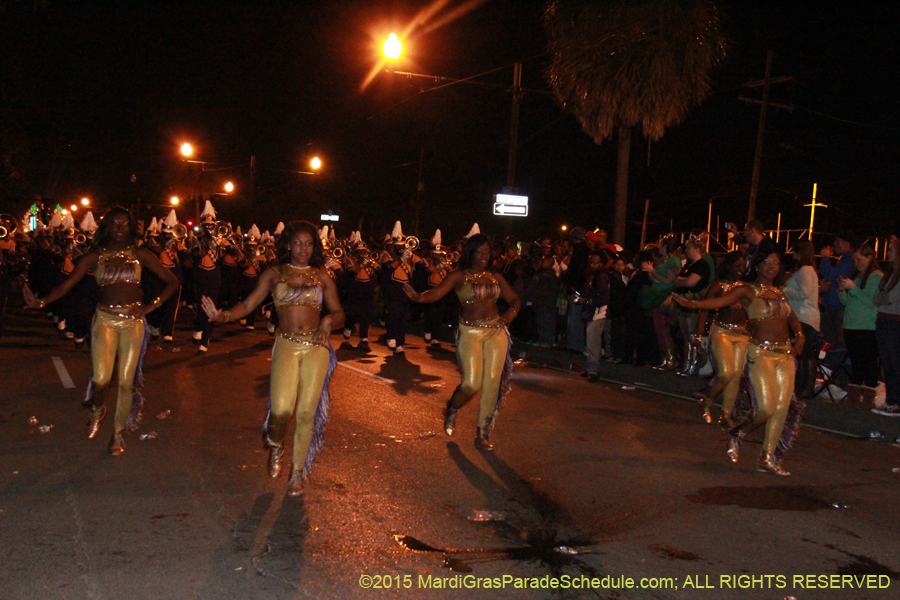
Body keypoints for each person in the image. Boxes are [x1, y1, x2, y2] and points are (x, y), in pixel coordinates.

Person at [202, 221, 344, 496]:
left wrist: (330, 320)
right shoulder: (274, 274)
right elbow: (248, 304)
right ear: (288, 245)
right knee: (280, 411)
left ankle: (297, 473)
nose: (303, 249)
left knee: (306, 413)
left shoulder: (322, 276)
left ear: (315, 247)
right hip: (286, 344)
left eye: (309, 243)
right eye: (298, 243)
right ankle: (276, 445)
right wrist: (223, 316)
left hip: (316, 347)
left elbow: (339, 313)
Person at [24, 207, 180, 454]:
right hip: (105, 320)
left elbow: (173, 282)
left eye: (125, 224)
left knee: (126, 383)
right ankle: (98, 409)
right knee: (100, 380)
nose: (120, 229)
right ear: (106, 227)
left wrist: (151, 305)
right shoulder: (94, 257)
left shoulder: (140, 254)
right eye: (115, 223)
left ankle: (117, 435)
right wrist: (41, 302)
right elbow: (67, 285)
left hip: (132, 322)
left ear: (131, 228)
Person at [673, 252, 805, 475]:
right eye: (767, 262)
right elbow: (719, 302)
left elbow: (791, 318)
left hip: (785, 355)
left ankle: (766, 458)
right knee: (765, 408)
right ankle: (737, 433)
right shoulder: (746, 291)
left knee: (781, 409)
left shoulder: (779, 293)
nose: (772, 266)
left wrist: (800, 336)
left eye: (776, 263)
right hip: (761, 353)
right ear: (757, 266)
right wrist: (694, 304)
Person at [404, 233, 521, 450]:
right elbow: (436, 293)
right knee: (471, 384)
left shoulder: (495, 276)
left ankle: (483, 431)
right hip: (470, 332)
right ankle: (453, 408)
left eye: (487, 251)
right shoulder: (458, 276)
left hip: (496, 331)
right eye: (479, 251)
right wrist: (419, 297)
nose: (484, 255)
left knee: (492, 382)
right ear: (470, 252)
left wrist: (509, 315)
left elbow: (514, 300)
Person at [693, 251, 748, 424]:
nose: (741, 269)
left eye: (743, 266)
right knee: (726, 373)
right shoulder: (718, 286)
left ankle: (726, 414)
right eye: (737, 266)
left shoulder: (745, 288)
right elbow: (704, 310)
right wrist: (698, 336)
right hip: (722, 331)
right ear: (729, 266)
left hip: (742, 335)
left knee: (736, 376)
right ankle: (707, 399)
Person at [837, 244, 883, 405]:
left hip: (867, 326)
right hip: (851, 325)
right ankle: (854, 398)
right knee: (856, 363)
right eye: (854, 260)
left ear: (869, 258)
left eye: (859, 259)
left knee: (869, 363)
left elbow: (871, 301)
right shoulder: (857, 277)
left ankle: (868, 399)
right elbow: (847, 302)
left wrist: (853, 288)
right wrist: (841, 290)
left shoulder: (876, 276)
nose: (857, 263)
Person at [782, 241, 820, 397]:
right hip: (801, 315)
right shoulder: (805, 270)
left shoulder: (805, 270)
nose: (792, 254)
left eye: (794, 251)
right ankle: (801, 384)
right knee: (802, 352)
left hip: (804, 316)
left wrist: (785, 290)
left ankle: (807, 386)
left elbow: (804, 293)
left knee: (805, 352)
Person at [672, 238, 712, 377]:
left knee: (692, 334)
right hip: (683, 301)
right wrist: (682, 281)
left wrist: (681, 281)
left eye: (688, 248)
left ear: (696, 249)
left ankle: (693, 365)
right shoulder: (689, 265)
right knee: (685, 335)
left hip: (693, 302)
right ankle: (687, 364)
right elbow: (679, 280)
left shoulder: (702, 265)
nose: (686, 251)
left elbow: (690, 282)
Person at [642, 236, 680, 370]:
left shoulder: (674, 261)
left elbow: (667, 280)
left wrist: (652, 271)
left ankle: (670, 359)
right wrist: (649, 271)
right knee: (659, 329)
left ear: (665, 246)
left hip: (665, 297)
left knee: (664, 329)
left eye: (660, 244)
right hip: (656, 296)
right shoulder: (660, 260)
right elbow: (654, 279)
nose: (658, 246)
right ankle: (664, 358)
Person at [872, 238, 900, 417]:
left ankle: (896, 401)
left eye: (891, 250)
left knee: (894, 362)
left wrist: (883, 298)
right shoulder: (889, 274)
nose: (888, 253)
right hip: (883, 320)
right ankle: (891, 400)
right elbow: (877, 298)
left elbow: (890, 298)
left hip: (894, 322)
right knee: (888, 363)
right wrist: (883, 298)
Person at [819, 230, 858, 346]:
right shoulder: (845, 260)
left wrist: (825, 259)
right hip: (836, 308)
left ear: (846, 243)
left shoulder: (849, 260)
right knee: (831, 343)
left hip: (838, 309)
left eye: (838, 241)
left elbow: (832, 277)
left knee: (834, 344)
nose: (834, 243)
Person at [580, 250, 610, 382]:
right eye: (591, 262)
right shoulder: (593, 276)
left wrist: (587, 300)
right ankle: (590, 368)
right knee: (590, 341)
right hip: (592, 311)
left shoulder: (602, 277)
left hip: (598, 313)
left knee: (593, 341)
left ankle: (593, 370)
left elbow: (603, 297)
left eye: (595, 262)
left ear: (601, 263)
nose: (592, 264)